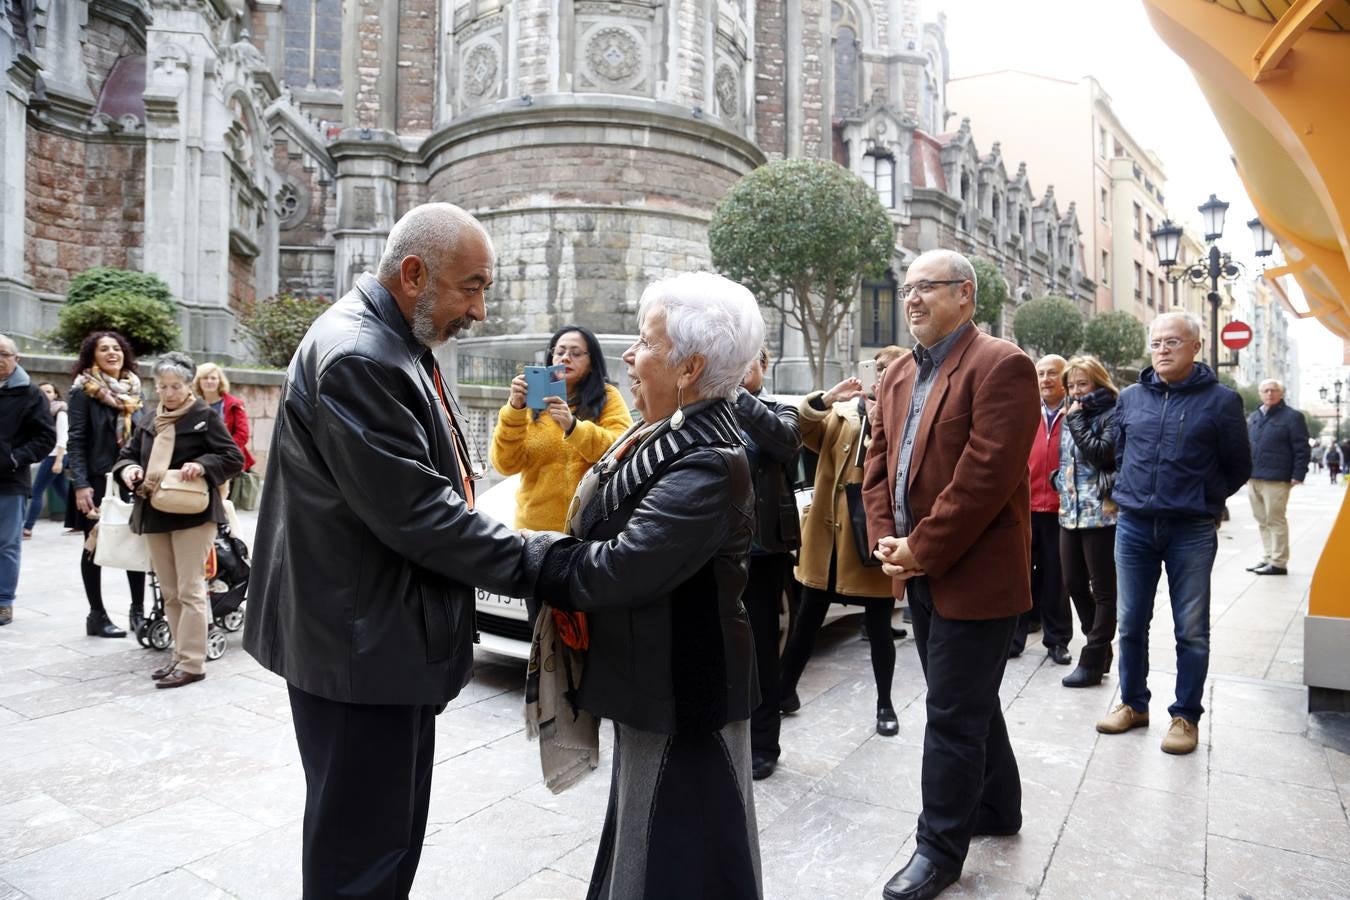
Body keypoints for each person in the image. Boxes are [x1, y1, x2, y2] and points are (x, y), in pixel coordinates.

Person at [242, 203, 562, 898]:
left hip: (374, 642)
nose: (479, 311)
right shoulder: (361, 355)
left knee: (383, 844)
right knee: (364, 862)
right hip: (361, 652)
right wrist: (546, 562)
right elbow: (421, 515)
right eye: (471, 286)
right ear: (414, 274)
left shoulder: (391, 342)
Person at [531, 271, 765, 900]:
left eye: (644, 341)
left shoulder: (708, 459)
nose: (629, 356)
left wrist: (527, 556)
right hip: (651, 683)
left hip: (684, 693)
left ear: (688, 368)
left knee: (675, 855)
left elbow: (616, 568)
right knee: (644, 838)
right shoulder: (666, 432)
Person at [862, 249, 1038, 900]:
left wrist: (921, 548)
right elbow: (877, 465)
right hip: (918, 567)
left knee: (951, 715)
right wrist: (886, 538)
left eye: (926, 288)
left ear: (965, 295)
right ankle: (1000, 808)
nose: (911, 298)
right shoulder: (898, 374)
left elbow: (985, 478)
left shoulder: (1002, 366)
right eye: (907, 288)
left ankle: (938, 851)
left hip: (975, 572)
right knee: (969, 702)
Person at [1096, 311, 1250, 756]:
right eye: (1157, 342)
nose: (1162, 350)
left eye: (1173, 342)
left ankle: (1185, 716)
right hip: (1135, 526)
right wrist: (1130, 491)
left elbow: (1239, 465)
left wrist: (1204, 495)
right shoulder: (1130, 397)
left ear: (1196, 347)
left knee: (1192, 630)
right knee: (1130, 623)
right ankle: (1132, 703)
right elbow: (1120, 454)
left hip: (1191, 529)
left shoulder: (1222, 401)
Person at [779, 345, 907, 741]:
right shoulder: (842, 414)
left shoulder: (905, 416)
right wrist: (826, 399)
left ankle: (885, 703)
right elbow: (799, 433)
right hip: (829, 538)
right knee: (806, 623)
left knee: (879, 627)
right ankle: (785, 692)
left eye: (889, 369)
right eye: (876, 368)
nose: (880, 375)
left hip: (871, 537)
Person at [112, 352, 244, 687]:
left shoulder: (203, 416)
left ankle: (193, 663)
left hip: (193, 514)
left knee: (190, 590)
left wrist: (201, 465)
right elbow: (126, 455)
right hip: (155, 512)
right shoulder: (150, 419)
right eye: (162, 386)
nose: (168, 393)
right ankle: (179, 656)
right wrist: (130, 469)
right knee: (169, 592)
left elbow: (232, 457)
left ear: (189, 386)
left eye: (175, 386)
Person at [731, 345, 801, 781]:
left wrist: (738, 395)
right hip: (717, 550)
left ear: (764, 365)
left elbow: (784, 442)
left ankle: (764, 744)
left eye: (747, 362)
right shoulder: (713, 412)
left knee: (760, 652)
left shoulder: (781, 411)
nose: (739, 371)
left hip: (761, 553)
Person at [490, 324, 632, 531]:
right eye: (560, 352)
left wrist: (573, 426)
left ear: (592, 362)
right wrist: (514, 410)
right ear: (551, 358)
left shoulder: (607, 397)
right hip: (534, 531)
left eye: (575, 353)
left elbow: (621, 449)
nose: (566, 358)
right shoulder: (531, 401)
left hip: (591, 529)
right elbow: (505, 464)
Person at [65, 331, 147, 638]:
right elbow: (76, 440)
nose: (112, 353)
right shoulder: (82, 391)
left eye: (116, 348)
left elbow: (145, 437)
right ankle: (96, 615)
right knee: (93, 545)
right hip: (98, 480)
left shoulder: (135, 391)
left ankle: (137, 612)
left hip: (131, 477)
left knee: (136, 542)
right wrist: (81, 484)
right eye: (104, 349)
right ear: (92, 356)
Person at [1054, 356, 1119, 688]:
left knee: (1105, 590)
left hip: (1102, 515)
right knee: (1074, 583)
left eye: (1083, 384)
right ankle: (1101, 645)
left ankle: (1092, 659)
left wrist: (1077, 420)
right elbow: (1068, 460)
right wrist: (1058, 480)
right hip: (1070, 513)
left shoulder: (1111, 413)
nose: (1076, 391)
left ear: (1098, 383)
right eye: (1071, 385)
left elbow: (1102, 453)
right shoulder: (1072, 415)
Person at [1011, 354, 1072, 665]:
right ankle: (1014, 639)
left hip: (1062, 509)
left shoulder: (1075, 413)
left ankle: (1058, 640)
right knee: (1020, 576)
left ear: (1065, 378)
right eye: (1041, 373)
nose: (1046, 379)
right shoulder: (1022, 412)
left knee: (1056, 579)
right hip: (1025, 506)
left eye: (1053, 373)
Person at [0, 335, 57, 626]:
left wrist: (14, 458)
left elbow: (46, 437)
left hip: (10, 480)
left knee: (7, 544)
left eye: (3, 354)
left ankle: (4, 601)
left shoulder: (29, 393)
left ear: (16, 358)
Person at [1244, 379, 1310, 576]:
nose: (1270, 394)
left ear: (1281, 394)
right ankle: (1267, 557)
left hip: (1277, 478)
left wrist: (1298, 474)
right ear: (1260, 393)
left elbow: (1301, 448)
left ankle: (1279, 562)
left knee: (1275, 520)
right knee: (1262, 520)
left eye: (1274, 390)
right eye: (1266, 390)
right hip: (1253, 476)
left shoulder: (1293, 417)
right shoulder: (1254, 417)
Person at [23, 382, 69, 539]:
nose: (45, 394)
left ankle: (27, 529)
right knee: (63, 491)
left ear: (55, 394)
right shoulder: (38, 411)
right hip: (48, 456)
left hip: (55, 456)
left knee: (36, 491)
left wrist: (58, 460)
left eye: (49, 391)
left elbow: (63, 438)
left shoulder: (60, 413)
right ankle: (81, 520)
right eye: (42, 391)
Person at [192, 362, 257, 474]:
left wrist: (224, 451)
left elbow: (242, 435)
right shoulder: (192, 405)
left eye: (213, 378)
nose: (209, 381)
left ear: (219, 381)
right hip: (199, 460)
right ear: (199, 381)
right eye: (205, 378)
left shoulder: (234, 404)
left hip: (227, 459)